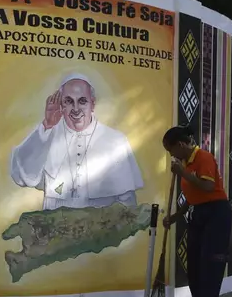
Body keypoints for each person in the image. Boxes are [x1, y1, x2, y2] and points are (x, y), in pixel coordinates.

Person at [10, 73, 144, 210]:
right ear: (61, 105)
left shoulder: (115, 141)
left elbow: (128, 205)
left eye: (82, 101)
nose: (75, 109)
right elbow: (22, 176)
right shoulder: (47, 134)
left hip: (99, 228)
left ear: (93, 104)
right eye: (68, 101)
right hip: (55, 228)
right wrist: (47, 124)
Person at [162, 126, 232, 297]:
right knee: (193, 269)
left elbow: (208, 187)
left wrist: (183, 174)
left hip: (216, 215)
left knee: (209, 272)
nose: (171, 155)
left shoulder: (203, 158)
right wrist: (175, 216)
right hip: (199, 214)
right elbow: (192, 196)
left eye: (171, 150)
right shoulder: (185, 163)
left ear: (181, 145)